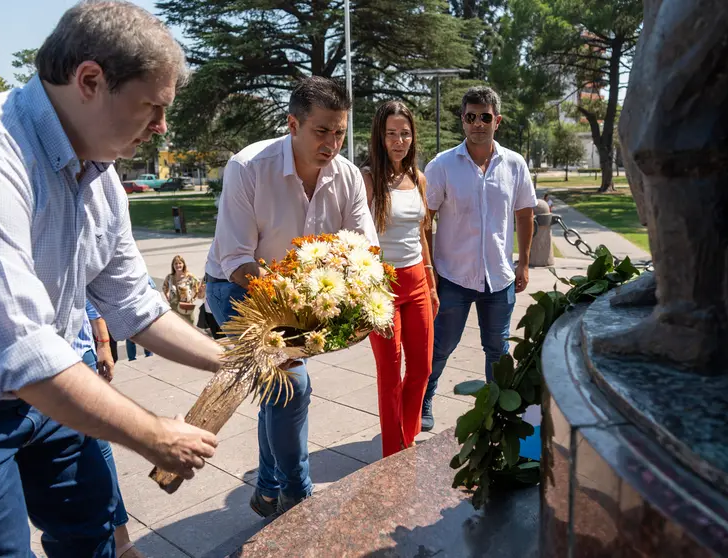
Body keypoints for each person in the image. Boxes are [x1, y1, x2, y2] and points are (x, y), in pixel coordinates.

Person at [0, 3, 224, 555]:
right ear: (89, 80)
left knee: (94, 536)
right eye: (152, 107)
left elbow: (134, 305)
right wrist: (154, 435)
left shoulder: (102, 174)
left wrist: (238, 361)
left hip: (53, 389)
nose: (161, 127)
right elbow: (23, 352)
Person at [204, 76, 378, 518]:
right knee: (292, 385)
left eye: (340, 132)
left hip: (299, 295)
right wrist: (299, 301)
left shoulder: (349, 177)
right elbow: (238, 261)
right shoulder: (248, 167)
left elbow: (364, 252)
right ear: (292, 124)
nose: (333, 143)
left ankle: (267, 487)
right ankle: (298, 496)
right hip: (236, 287)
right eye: (322, 131)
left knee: (276, 388)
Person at [421, 86, 536, 431]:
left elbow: (525, 213)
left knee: (497, 351)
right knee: (440, 346)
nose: (478, 124)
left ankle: (497, 412)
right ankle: (424, 400)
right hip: (453, 276)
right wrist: (430, 270)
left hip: (499, 278)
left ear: (497, 120)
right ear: (462, 121)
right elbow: (425, 219)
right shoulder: (441, 165)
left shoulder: (514, 164)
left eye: (485, 116)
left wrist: (525, 262)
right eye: (470, 117)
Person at [362, 101, 438, 457]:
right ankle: (392, 455)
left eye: (405, 133)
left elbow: (421, 233)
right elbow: (359, 237)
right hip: (382, 287)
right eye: (391, 133)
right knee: (390, 376)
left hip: (418, 283)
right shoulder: (368, 179)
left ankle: (405, 442)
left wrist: (431, 280)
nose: (399, 140)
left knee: (422, 369)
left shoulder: (418, 178)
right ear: (380, 136)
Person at [72, 302, 143, 558]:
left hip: (78, 358)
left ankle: (122, 543)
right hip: (3, 376)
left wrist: (103, 343)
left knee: (98, 448)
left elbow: (86, 293)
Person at [163, 255, 204, 324]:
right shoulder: (169, 277)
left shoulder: (189, 276)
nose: (178, 265)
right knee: (175, 326)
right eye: (175, 263)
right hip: (174, 306)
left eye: (180, 263)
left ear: (183, 264)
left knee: (190, 325)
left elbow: (198, 287)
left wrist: (192, 299)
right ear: (173, 265)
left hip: (186, 307)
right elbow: (164, 288)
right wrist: (168, 298)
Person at [127, 276, 157, 361]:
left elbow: (152, 287)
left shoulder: (143, 276)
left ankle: (148, 354)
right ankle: (132, 357)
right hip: (130, 309)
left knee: (146, 332)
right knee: (130, 336)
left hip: (143, 307)